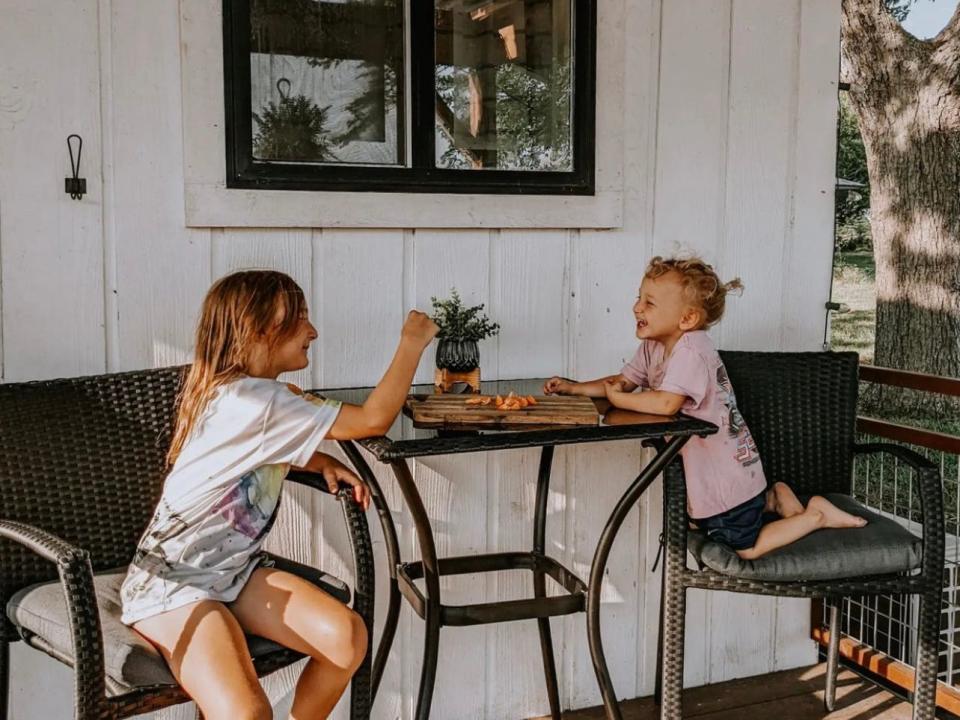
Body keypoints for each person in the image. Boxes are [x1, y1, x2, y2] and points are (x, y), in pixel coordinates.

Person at [120, 269, 439, 720]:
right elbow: (373, 419)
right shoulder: (260, 401)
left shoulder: (236, 391)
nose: (313, 331)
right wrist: (412, 342)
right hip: (173, 586)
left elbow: (245, 452)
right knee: (247, 714)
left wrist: (316, 460)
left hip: (231, 572)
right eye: (300, 318)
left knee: (345, 637)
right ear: (258, 329)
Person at [544, 256, 865, 561]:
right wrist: (575, 387)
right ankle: (775, 497)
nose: (636, 307)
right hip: (725, 475)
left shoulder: (693, 351)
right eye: (638, 298)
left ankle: (815, 516)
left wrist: (617, 400)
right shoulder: (653, 345)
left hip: (725, 479)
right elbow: (622, 382)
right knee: (727, 518)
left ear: (687, 319)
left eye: (649, 303)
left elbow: (666, 402)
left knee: (746, 548)